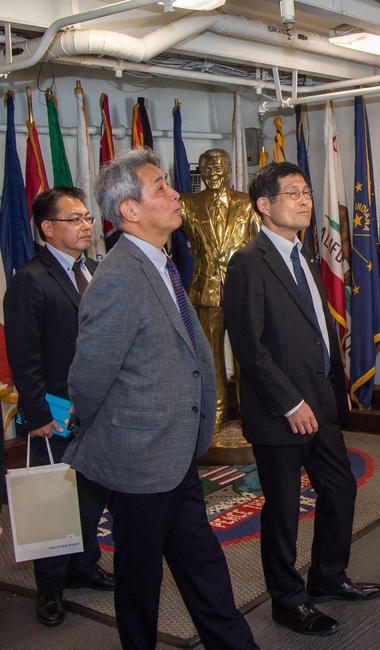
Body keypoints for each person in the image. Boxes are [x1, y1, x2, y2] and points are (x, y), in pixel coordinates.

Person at [65, 148, 257, 650]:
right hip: (139, 462)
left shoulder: (162, 263)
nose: (176, 195)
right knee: (139, 584)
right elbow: (88, 379)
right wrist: (99, 430)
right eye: (161, 188)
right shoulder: (119, 278)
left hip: (176, 456)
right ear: (130, 210)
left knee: (203, 567)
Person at [225, 161, 380, 636]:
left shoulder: (307, 256)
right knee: (284, 508)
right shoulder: (248, 263)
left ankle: (328, 578)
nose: (305, 200)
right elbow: (250, 348)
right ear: (264, 206)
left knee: (339, 489)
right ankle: (287, 601)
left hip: (322, 404)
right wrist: (291, 404)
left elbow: (318, 333)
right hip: (281, 412)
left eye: (307, 192)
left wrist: (333, 391)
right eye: (293, 192)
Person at [3, 187, 114, 627]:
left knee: (90, 494)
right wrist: (37, 414)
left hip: (96, 409)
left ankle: (84, 569)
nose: (87, 225)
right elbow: (23, 356)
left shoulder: (94, 271)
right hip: (54, 411)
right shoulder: (30, 280)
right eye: (75, 219)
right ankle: (50, 587)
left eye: (88, 217)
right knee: (56, 497)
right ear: (48, 228)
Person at [179, 148, 260, 434]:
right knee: (210, 360)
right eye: (207, 170)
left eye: (218, 169)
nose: (213, 175)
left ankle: (250, 415)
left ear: (228, 170)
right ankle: (216, 414)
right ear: (200, 173)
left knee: (246, 360)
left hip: (242, 294)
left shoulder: (248, 204)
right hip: (205, 294)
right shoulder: (187, 204)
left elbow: (259, 249)